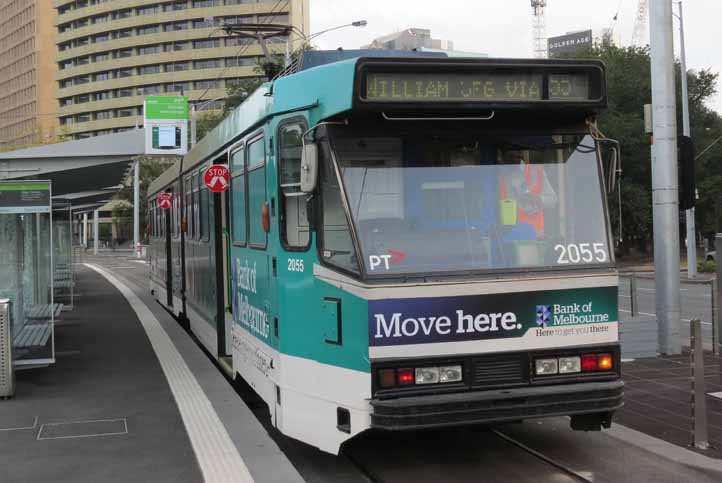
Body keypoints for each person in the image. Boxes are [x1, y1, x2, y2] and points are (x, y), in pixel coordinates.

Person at [498, 149, 557, 239]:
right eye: (507, 157)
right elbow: (507, 213)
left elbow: (553, 200)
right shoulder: (504, 179)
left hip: (535, 235)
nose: (506, 161)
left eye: (513, 156)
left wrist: (538, 199)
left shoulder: (536, 172)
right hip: (513, 236)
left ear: (520, 155)